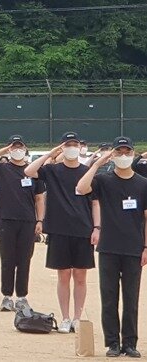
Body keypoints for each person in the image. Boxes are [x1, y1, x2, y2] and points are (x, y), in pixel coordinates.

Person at [76, 136, 147, 358]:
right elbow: (81, 187)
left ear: (134, 154)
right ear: (113, 155)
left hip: (134, 247)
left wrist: (146, 246)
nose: (123, 156)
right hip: (108, 247)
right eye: (119, 152)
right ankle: (112, 342)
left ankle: (130, 342)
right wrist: (97, 163)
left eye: (127, 152)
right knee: (109, 296)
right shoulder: (104, 180)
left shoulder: (143, 183)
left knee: (131, 298)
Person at [24, 132, 94, 333]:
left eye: (75, 144)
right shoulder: (53, 170)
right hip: (59, 229)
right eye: (67, 144)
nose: (71, 147)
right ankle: (65, 317)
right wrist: (50, 153)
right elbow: (29, 171)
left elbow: (94, 201)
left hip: (82, 228)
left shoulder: (86, 171)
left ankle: (78, 317)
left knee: (80, 275)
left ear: (80, 147)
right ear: (62, 147)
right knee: (63, 275)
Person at [0, 135, 46, 312]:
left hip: (28, 220)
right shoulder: (1, 168)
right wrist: (0, 151)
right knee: (7, 259)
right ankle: (6, 295)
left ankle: (22, 296)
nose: (17, 150)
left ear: (25, 149)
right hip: (6, 219)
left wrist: (40, 220)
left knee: (24, 259)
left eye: (20, 147)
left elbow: (39, 199)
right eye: (14, 147)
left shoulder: (33, 171)